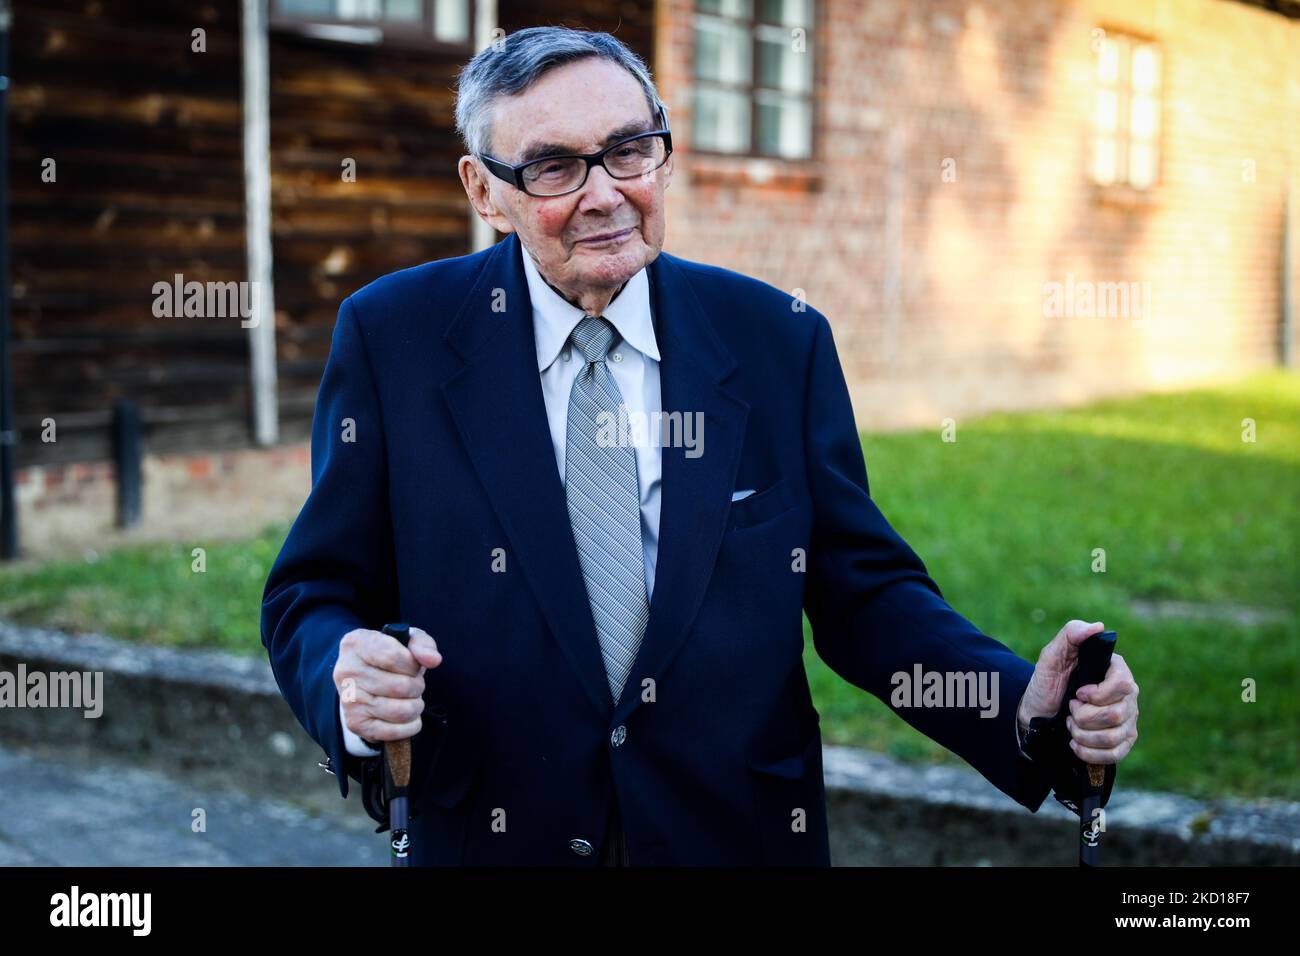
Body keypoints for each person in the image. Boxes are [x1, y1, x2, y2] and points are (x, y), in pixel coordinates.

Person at [260, 26, 1138, 866]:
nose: (605, 193)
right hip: (490, 836)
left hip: (736, 836)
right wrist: (342, 668)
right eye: (555, 166)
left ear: (663, 152)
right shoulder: (394, 337)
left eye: (629, 149)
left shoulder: (775, 341)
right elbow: (316, 587)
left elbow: (862, 595)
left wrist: (1018, 703)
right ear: (485, 191)